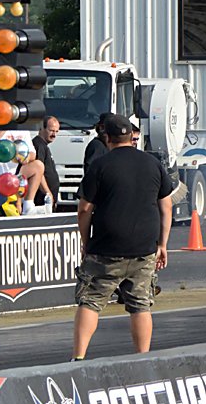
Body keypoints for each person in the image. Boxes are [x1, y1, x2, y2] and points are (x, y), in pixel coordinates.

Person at [72, 114, 173, 359]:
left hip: (106, 247)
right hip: (144, 247)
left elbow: (85, 209)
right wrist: (163, 244)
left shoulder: (100, 165)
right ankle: (142, 358)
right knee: (141, 304)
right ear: (131, 136)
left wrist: (86, 242)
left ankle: (78, 357)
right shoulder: (152, 164)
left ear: (107, 137)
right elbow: (166, 206)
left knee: (91, 301)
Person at [0, 128, 46, 214]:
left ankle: (28, 206)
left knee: (38, 165)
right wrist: (3, 127)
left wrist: (25, 158)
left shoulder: (22, 128)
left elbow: (32, 153)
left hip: (12, 176)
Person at [32, 117, 61, 211]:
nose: (54, 135)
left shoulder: (44, 146)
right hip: (41, 200)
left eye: (57, 131)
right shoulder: (39, 145)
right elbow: (38, 173)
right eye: (51, 131)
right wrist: (48, 193)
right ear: (41, 128)